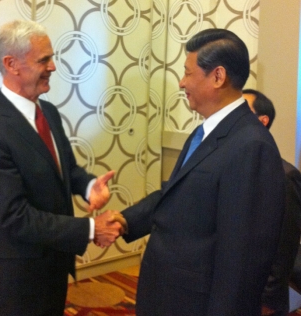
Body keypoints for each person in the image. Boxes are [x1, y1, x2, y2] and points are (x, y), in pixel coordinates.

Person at [119, 29, 286, 315]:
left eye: (187, 72)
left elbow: (241, 258)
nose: (182, 83)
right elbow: (178, 196)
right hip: (169, 292)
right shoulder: (206, 131)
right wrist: (124, 221)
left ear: (218, 76)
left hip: (195, 303)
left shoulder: (252, 146)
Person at [0, 20, 126, 316]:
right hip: (16, 278)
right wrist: (91, 228)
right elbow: (14, 216)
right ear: (11, 64)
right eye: (44, 59)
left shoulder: (48, 112)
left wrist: (90, 185)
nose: (53, 66)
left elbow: (67, 169)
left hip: (53, 264)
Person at [243, 88, 301, 316]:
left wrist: (266, 302)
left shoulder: (285, 176)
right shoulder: (234, 166)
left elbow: (284, 249)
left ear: (262, 122)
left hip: (261, 297)